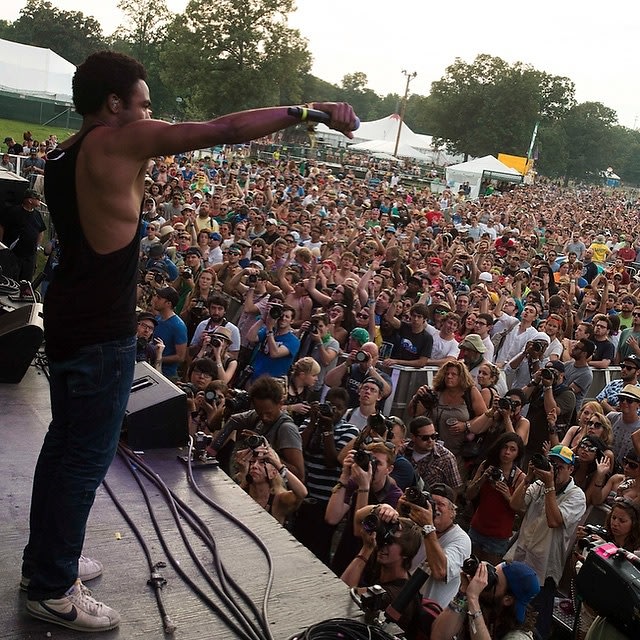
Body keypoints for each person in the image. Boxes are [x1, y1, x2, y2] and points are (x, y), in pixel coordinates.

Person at [22, 49, 356, 632]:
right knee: (84, 459)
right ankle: (52, 588)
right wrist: (309, 111)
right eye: (144, 104)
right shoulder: (116, 142)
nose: (152, 116)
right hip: (101, 333)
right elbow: (223, 128)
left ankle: (47, 562)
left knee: (63, 448)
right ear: (114, 104)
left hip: (70, 320)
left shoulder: (62, 154)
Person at [506, 445, 586, 639]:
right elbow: (515, 504)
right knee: (510, 613)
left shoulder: (577, 496)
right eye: (552, 464)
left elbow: (554, 521)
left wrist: (549, 485)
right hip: (521, 558)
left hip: (544, 570)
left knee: (534, 623)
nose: (554, 469)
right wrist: (527, 478)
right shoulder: (539, 485)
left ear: (571, 469)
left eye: (560, 466)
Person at [293, 388, 359, 564]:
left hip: (327, 501)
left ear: (345, 410)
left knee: (319, 549)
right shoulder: (309, 423)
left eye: (339, 408)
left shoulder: (350, 431)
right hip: (305, 496)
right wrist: (312, 423)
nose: (334, 411)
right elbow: (299, 449)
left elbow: (332, 461)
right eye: (330, 405)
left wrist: (327, 430)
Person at [431, 561, 540, 640]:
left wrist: (473, 599)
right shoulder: (480, 605)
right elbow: (438, 636)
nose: (485, 582)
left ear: (507, 599)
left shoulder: (518, 636)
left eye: (493, 580)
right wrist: (463, 593)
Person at [466, 433, 526, 564]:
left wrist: (509, 496)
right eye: (504, 447)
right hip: (477, 528)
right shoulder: (486, 466)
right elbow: (469, 495)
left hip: (498, 537)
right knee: (467, 569)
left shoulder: (519, 477)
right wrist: (483, 479)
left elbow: (522, 511)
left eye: (512, 449)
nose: (507, 452)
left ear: (518, 454)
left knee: (488, 575)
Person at [234, 440, 307, 526]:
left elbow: (302, 493)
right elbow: (231, 504)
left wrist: (278, 465)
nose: (254, 466)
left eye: (262, 463)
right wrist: (244, 472)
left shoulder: (279, 499)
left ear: (273, 473)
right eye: (252, 462)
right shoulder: (242, 492)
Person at [0, 188, 46, 281]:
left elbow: (41, 230)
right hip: (14, 254)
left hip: (30, 255)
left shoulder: (37, 214)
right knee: (12, 279)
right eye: (37, 199)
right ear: (30, 200)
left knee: (26, 281)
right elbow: (2, 226)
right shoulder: (14, 212)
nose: (40, 201)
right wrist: (2, 244)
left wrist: (37, 246)